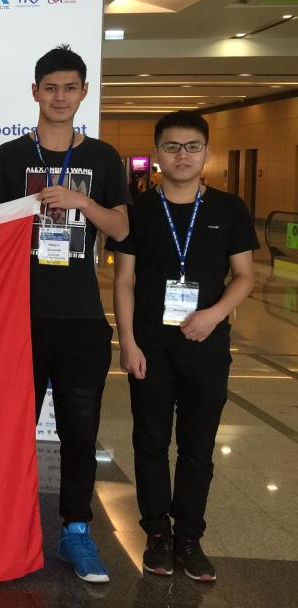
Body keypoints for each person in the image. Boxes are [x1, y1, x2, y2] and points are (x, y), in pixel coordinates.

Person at [0, 46, 130, 583]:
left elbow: (121, 229)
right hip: (16, 319)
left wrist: (80, 201)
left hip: (81, 319)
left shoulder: (104, 158)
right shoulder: (8, 155)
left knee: (80, 433)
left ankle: (76, 531)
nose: (60, 97)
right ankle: (4, 528)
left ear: (84, 92)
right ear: (35, 92)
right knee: (9, 430)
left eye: (69, 88)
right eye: (50, 88)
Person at [109, 111, 255, 582]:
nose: (182, 155)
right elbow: (124, 280)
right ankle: (157, 534)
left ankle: (189, 538)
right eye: (171, 146)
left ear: (206, 152)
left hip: (206, 346)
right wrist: (127, 342)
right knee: (150, 443)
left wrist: (213, 315)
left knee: (197, 448)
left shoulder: (229, 209)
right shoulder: (137, 209)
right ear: (156, 154)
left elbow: (245, 276)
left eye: (192, 146)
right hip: (150, 346)